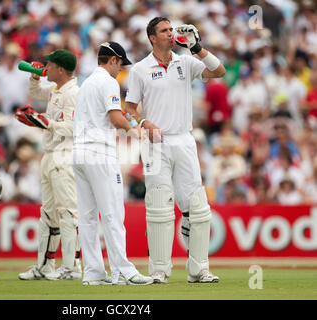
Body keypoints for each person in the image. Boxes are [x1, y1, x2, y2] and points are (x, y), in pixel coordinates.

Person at [125, 17, 225, 284]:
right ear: (152, 38)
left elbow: (219, 72)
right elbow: (129, 109)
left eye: (172, 29)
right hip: (156, 144)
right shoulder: (140, 69)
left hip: (184, 139)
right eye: (164, 31)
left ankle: (199, 269)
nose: (170, 34)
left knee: (197, 207)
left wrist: (197, 48)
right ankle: (159, 270)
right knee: (159, 207)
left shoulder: (186, 61)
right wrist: (144, 123)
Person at [72, 41, 153, 286]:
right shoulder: (107, 82)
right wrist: (133, 131)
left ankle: (94, 273)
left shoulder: (85, 83)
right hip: (99, 153)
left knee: (87, 217)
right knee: (113, 213)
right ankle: (123, 271)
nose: (121, 69)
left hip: (79, 153)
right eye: (120, 64)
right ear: (113, 60)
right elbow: (115, 117)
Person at [15, 49, 82, 280]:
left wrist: (46, 123)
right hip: (51, 153)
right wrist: (34, 75)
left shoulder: (73, 93)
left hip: (65, 154)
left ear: (61, 69)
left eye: (50, 65)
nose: (47, 68)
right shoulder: (57, 89)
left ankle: (72, 267)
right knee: (49, 214)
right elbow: (35, 92)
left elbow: (75, 128)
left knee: (68, 213)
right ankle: (44, 266)